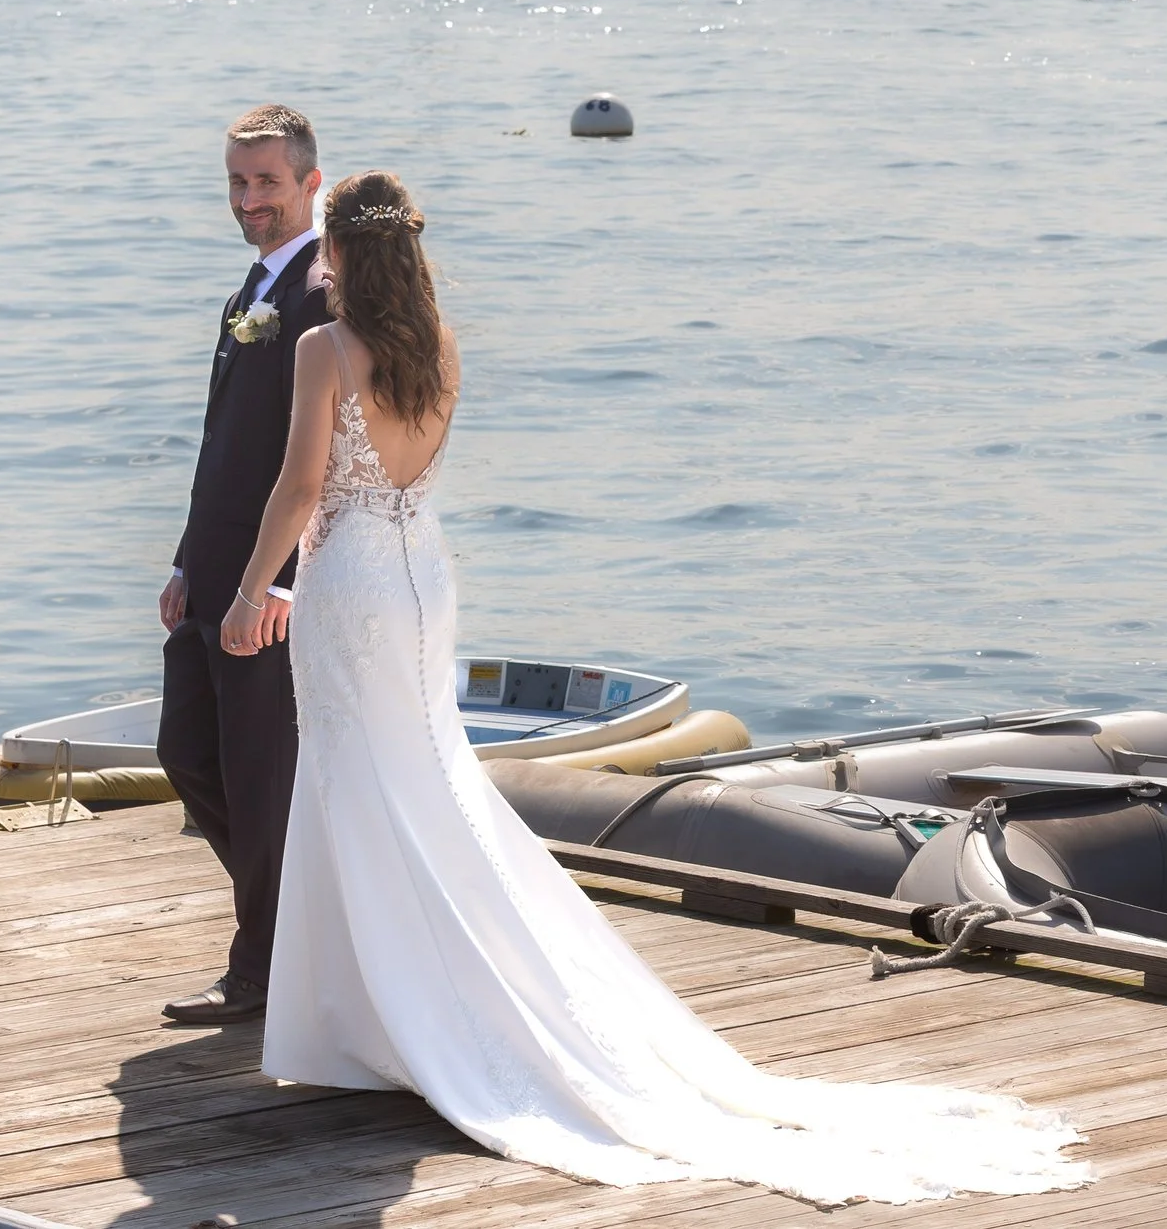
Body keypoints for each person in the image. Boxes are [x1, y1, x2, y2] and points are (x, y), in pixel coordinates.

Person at [216, 168, 1090, 1206]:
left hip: (351, 583)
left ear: (340, 252)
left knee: (360, 786)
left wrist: (251, 589)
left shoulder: (324, 348)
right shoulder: (439, 346)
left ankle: (376, 1018)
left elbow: (302, 486)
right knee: (426, 782)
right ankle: (402, 1005)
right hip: (423, 579)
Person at [157, 105, 332, 1026]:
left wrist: (283, 582)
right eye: (236, 181)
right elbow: (222, 443)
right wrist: (186, 562)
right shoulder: (250, 294)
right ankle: (300, 926)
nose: (248, 199)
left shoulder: (319, 295)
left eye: (266, 181)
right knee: (185, 753)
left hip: (269, 588)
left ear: (310, 182)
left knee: (261, 777)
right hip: (214, 572)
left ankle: (263, 967)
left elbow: (321, 464)